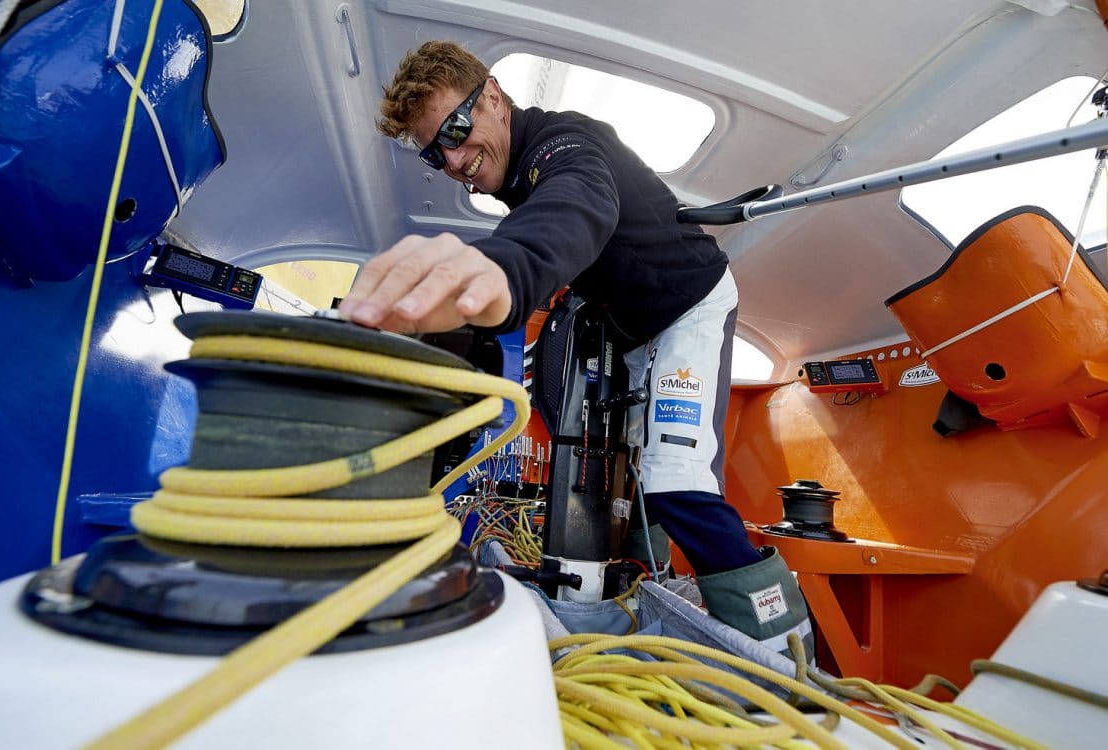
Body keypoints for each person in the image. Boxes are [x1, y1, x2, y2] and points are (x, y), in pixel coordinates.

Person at [339, 40, 812, 657]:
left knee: (676, 479)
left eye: (457, 128)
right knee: (634, 478)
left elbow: (577, 204)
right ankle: (653, 589)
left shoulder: (565, 145)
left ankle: (783, 641)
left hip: (689, 304)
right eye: (436, 152)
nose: (453, 159)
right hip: (633, 326)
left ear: (497, 100)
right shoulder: (517, 174)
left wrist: (500, 270)